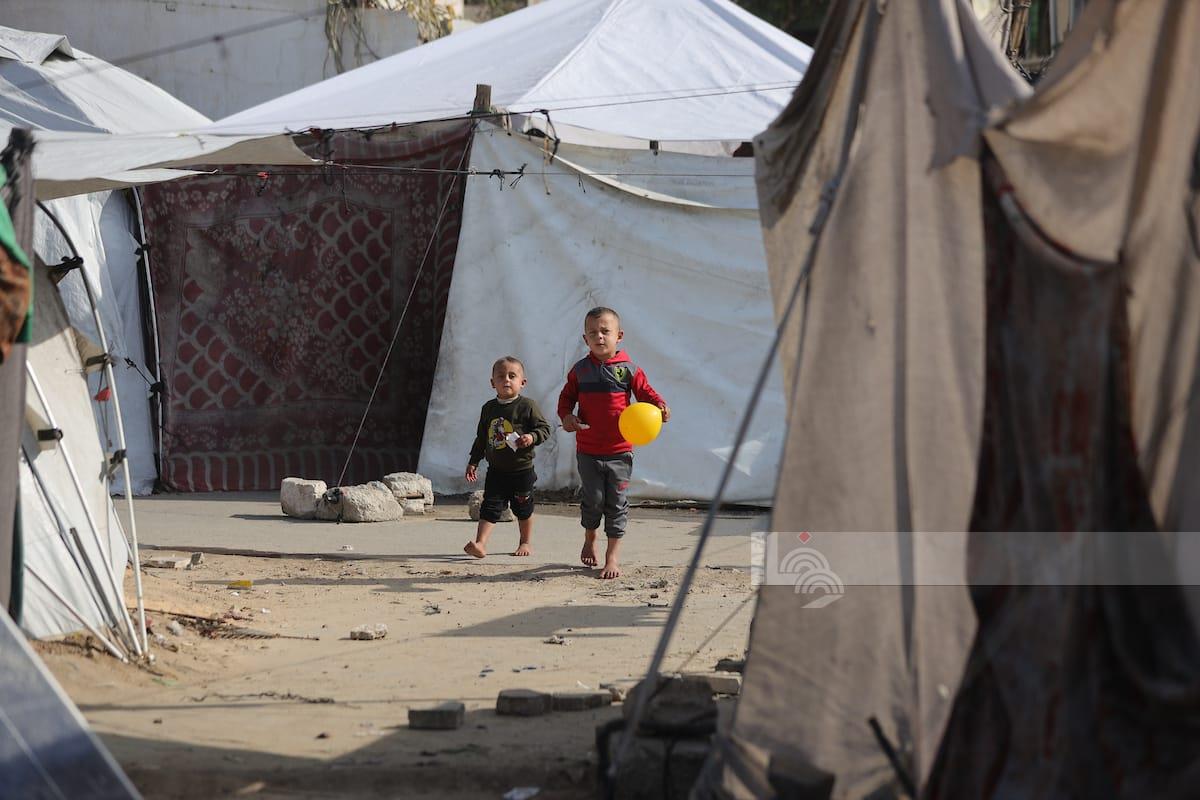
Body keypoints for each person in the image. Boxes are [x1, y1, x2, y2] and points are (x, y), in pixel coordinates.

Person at [558, 307, 669, 579]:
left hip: (620, 451)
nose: (599, 337)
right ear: (585, 339)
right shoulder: (580, 371)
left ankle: (612, 557)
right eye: (593, 333)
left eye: (605, 331)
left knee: (616, 503)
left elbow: (648, 395)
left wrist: (660, 407)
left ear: (619, 336)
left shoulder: (629, 370)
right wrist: (567, 417)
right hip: (588, 450)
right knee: (593, 500)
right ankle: (590, 537)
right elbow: (565, 400)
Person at [464, 356, 551, 559]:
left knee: (523, 507)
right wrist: (473, 461)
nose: (507, 380)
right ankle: (481, 544)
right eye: (501, 376)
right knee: (490, 506)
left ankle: (525, 541)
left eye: (512, 376)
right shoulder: (488, 408)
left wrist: (531, 437)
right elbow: (481, 438)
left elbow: (545, 429)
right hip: (496, 470)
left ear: (523, 382)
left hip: (522, 470)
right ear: (492, 382)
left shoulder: (527, 406)